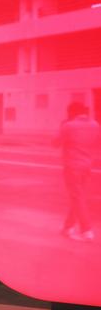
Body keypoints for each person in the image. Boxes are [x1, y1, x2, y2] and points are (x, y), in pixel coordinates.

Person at [56, 101, 100, 241]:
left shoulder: (68, 126)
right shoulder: (95, 125)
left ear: (72, 112)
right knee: (78, 197)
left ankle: (86, 229)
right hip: (87, 166)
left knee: (77, 197)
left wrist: (63, 126)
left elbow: (56, 143)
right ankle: (68, 227)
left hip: (72, 166)